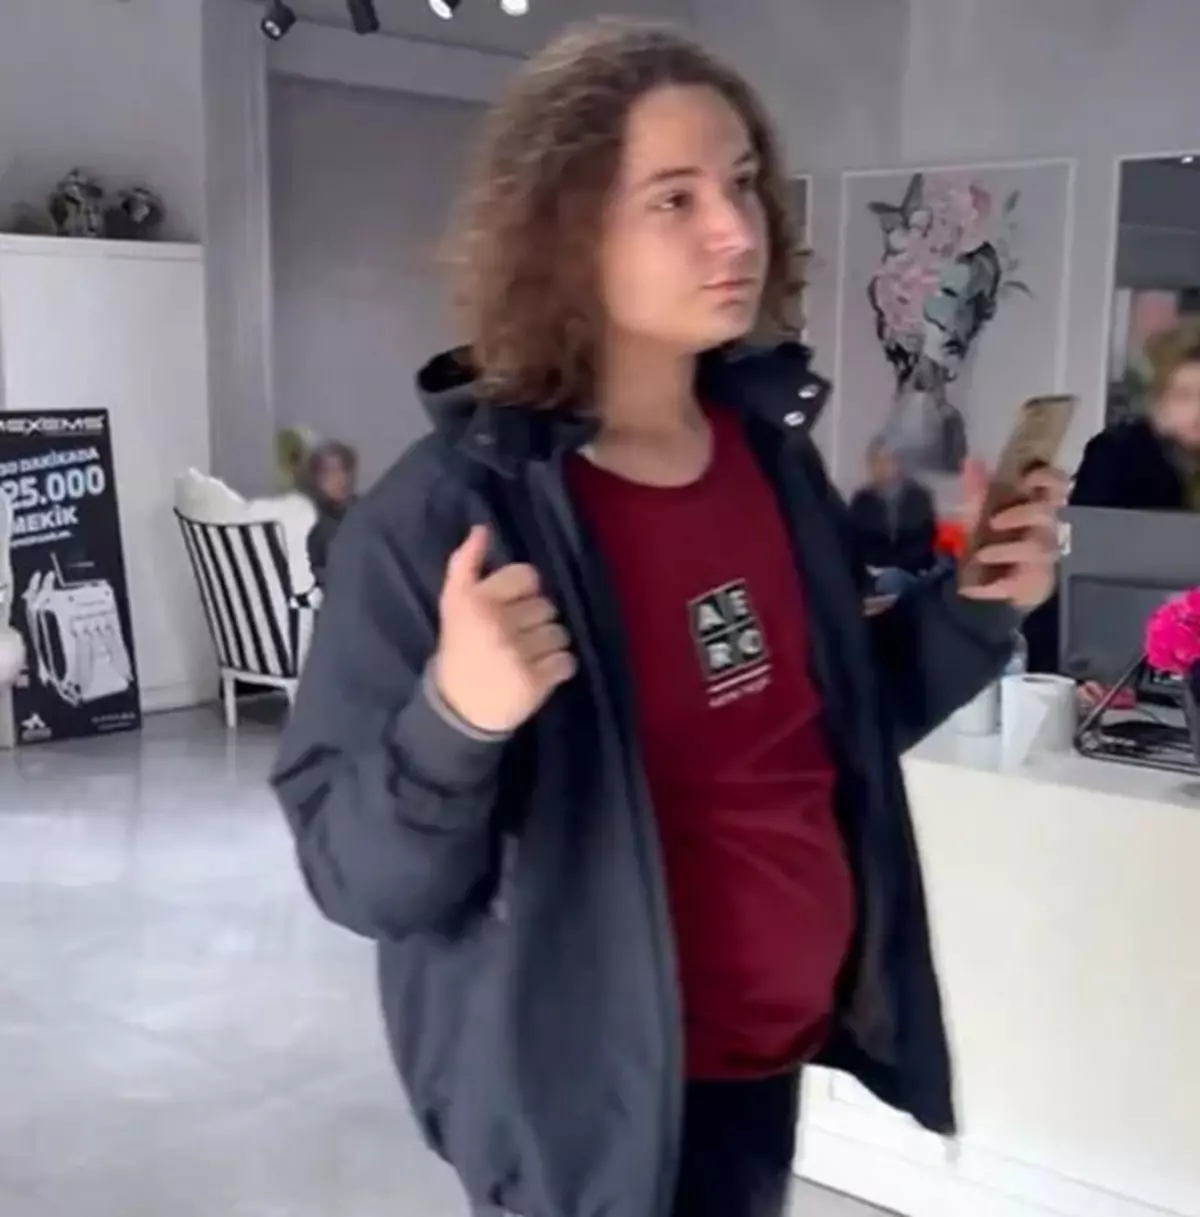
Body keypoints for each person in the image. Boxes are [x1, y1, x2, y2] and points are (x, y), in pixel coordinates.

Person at [270, 21, 1060, 1217]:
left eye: (742, 184)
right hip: (588, 1116)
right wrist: (454, 718)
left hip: (764, 1065)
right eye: (673, 198)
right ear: (568, 229)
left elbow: (812, 733)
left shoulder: (767, 461)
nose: (735, 229)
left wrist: (973, 613)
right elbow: (357, 878)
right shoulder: (444, 518)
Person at [1024, 321, 1200, 672]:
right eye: (1184, 396)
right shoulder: (1119, 454)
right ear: (1160, 404)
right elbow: (1085, 569)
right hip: (1097, 651)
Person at [848, 436, 938, 596]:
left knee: (893, 581)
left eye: (886, 460)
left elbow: (923, 544)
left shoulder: (918, 497)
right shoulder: (862, 500)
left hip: (914, 573)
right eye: (876, 462)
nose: (881, 467)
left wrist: (894, 566)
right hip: (872, 575)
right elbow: (856, 543)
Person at [302, 440, 358, 588]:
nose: (338, 479)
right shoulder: (315, 530)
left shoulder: (368, 514)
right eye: (329, 473)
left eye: (343, 470)